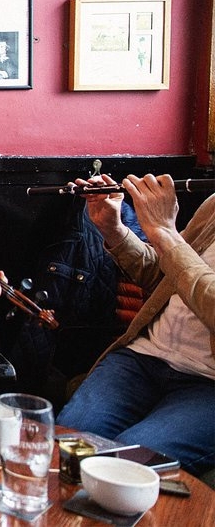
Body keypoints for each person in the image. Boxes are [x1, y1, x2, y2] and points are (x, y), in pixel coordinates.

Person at [58, 174, 214, 478]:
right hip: (144, 358)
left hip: (207, 386)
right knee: (71, 445)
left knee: (126, 464)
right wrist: (114, 230)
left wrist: (165, 231)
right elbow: (166, 275)